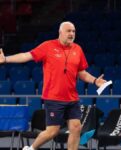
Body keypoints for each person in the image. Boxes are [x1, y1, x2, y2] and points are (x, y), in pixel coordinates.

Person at [0, 21, 106, 150]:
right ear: (60, 32)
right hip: (53, 97)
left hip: (72, 98)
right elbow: (27, 55)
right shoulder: (48, 46)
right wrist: (6, 59)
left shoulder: (77, 49)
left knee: (76, 128)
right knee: (53, 131)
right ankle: (31, 148)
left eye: (73, 31)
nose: (71, 34)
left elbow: (81, 73)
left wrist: (95, 81)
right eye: (68, 31)